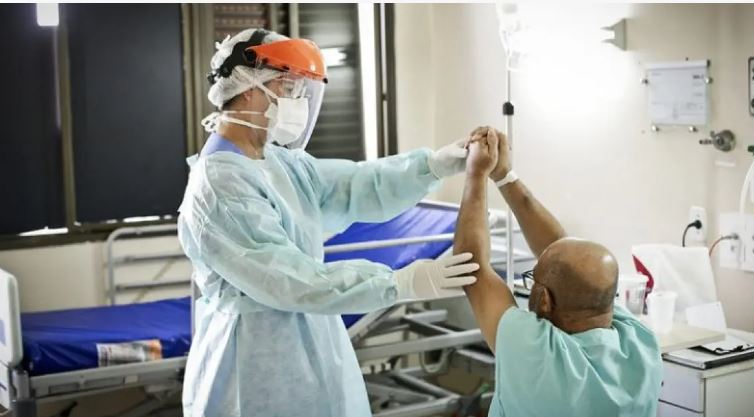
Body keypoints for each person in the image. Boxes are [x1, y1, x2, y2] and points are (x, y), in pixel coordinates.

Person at [177, 28, 480, 417]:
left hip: (307, 344)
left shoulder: (278, 162)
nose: (297, 101)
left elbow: (354, 186)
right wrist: (398, 282)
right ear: (250, 88)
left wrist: (432, 166)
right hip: (254, 360)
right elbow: (291, 280)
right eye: (288, 87)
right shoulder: (221, 184)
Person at [453, 127, 663, 417]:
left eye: (533, 279)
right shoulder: (640, 343)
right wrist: (504, 176)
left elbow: (471, 267)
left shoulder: (535, 350)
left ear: (545, 300)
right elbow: (565, 255)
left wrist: (476, 172)